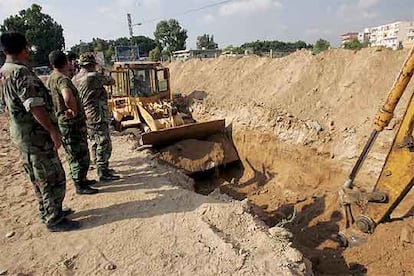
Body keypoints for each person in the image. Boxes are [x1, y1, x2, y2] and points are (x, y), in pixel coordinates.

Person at [0, 32, 80, 231]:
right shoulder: (20, 72)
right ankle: (54, 219)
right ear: (24, 48)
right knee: (52, 177)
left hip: (23, 134)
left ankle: (49, 211)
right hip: (36, 135)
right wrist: (52, 130)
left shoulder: (4, 71)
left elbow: (5, 105)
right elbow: (35, 106)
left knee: (38, 177)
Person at [47, 50, 98, 194]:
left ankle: (82, 180)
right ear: (66, 62)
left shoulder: (51, 78)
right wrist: (73, 110)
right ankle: (80, 185)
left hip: (63, 122)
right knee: (79, 154)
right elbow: (67, 96)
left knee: (74, 153)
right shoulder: (63, 79)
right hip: (71, 124)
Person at [72, 53, 120, 182]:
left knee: (94, 142)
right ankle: (103, 172)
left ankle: (100, 166)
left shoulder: (75, 78)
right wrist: (103, 71)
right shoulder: (93, 76)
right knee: (104, 143)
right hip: (97, 114)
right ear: (92, 64)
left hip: (86, 114)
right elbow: (112, 81)